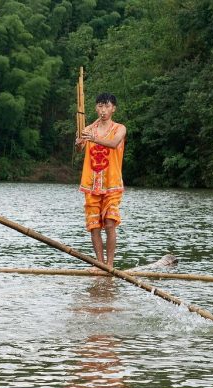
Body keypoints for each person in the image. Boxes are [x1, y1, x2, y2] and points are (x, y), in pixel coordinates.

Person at [75, 93, 127, 270]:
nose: (103, 110)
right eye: (100, 106)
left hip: (112, 183)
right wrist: (78, 142)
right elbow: (80, 149)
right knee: (94, 226)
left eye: (106, 106)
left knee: (110, 223)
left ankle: (110, 264)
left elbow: (113, 143)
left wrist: (93, 139)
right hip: (91, 184)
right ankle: (99, 264)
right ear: (96, 108)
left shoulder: (120, 128)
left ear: (113, 108)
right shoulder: (88, 129)